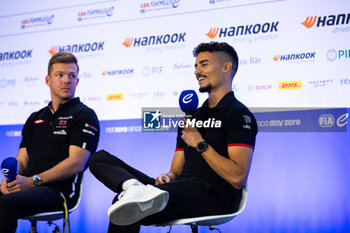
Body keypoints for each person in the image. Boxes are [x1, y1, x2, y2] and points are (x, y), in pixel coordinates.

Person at [89, 41, 257, 232]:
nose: (197, 71)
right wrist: (167, 177)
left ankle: (136, 193)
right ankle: (134, 187)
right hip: (181, 189)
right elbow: (175, 171)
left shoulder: (237, 114)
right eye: (196, 66)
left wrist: (200, 144)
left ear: (226, 67)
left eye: (204, 64)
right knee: (98, 159)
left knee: (127, 204)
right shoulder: (191, 116)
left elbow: (237, 178)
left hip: (214, 196)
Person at [0, 52, 100, 232]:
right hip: (29, 186)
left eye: (72, 76)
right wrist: (10, 181)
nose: (66, 80)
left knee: (4, 205)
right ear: (48, 80)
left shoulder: (84, 114)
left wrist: (34, 181)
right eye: (60, 75)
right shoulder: (35, 117)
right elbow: (22, 160)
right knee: (4, 196)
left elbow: (77, 163)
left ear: (77, 81)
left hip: (59, 192)